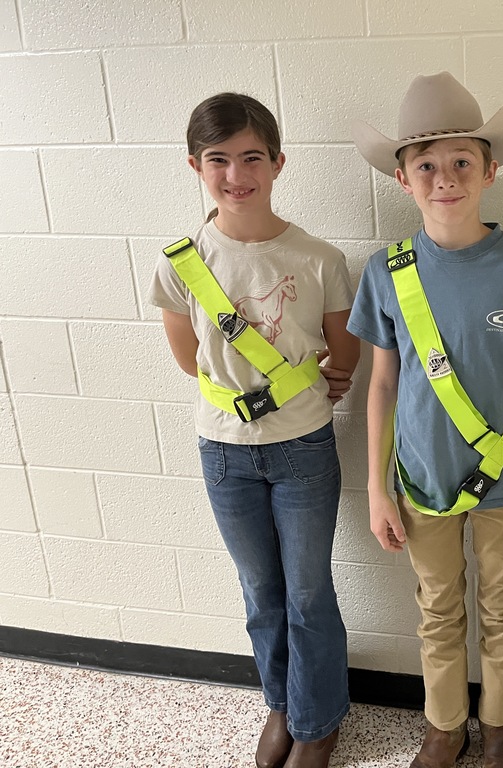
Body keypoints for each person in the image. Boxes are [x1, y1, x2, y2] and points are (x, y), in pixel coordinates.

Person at [346, 72, 503, 768]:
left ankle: (501, 729)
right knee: (437, 609)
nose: (445, 178)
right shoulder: (386, 272)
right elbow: (380, 384)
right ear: (403, 179)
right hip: (422, 481)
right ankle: (445, 727)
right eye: (426, 165)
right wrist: (378, 487)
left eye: (462, 161)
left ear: (491, 170)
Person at [149, 92, 360, 768]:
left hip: (302, 449)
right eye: (218, 160)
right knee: (260, 593)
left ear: (277, 163)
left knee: (306, 592)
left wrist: (307, 383)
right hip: (223, 450)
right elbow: (189, 362)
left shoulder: (318, 257)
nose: (235, 174)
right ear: (194, 165)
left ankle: (318, 719)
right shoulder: (181, 262)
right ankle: (281, 703)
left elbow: (345, 352)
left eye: (251, 158)